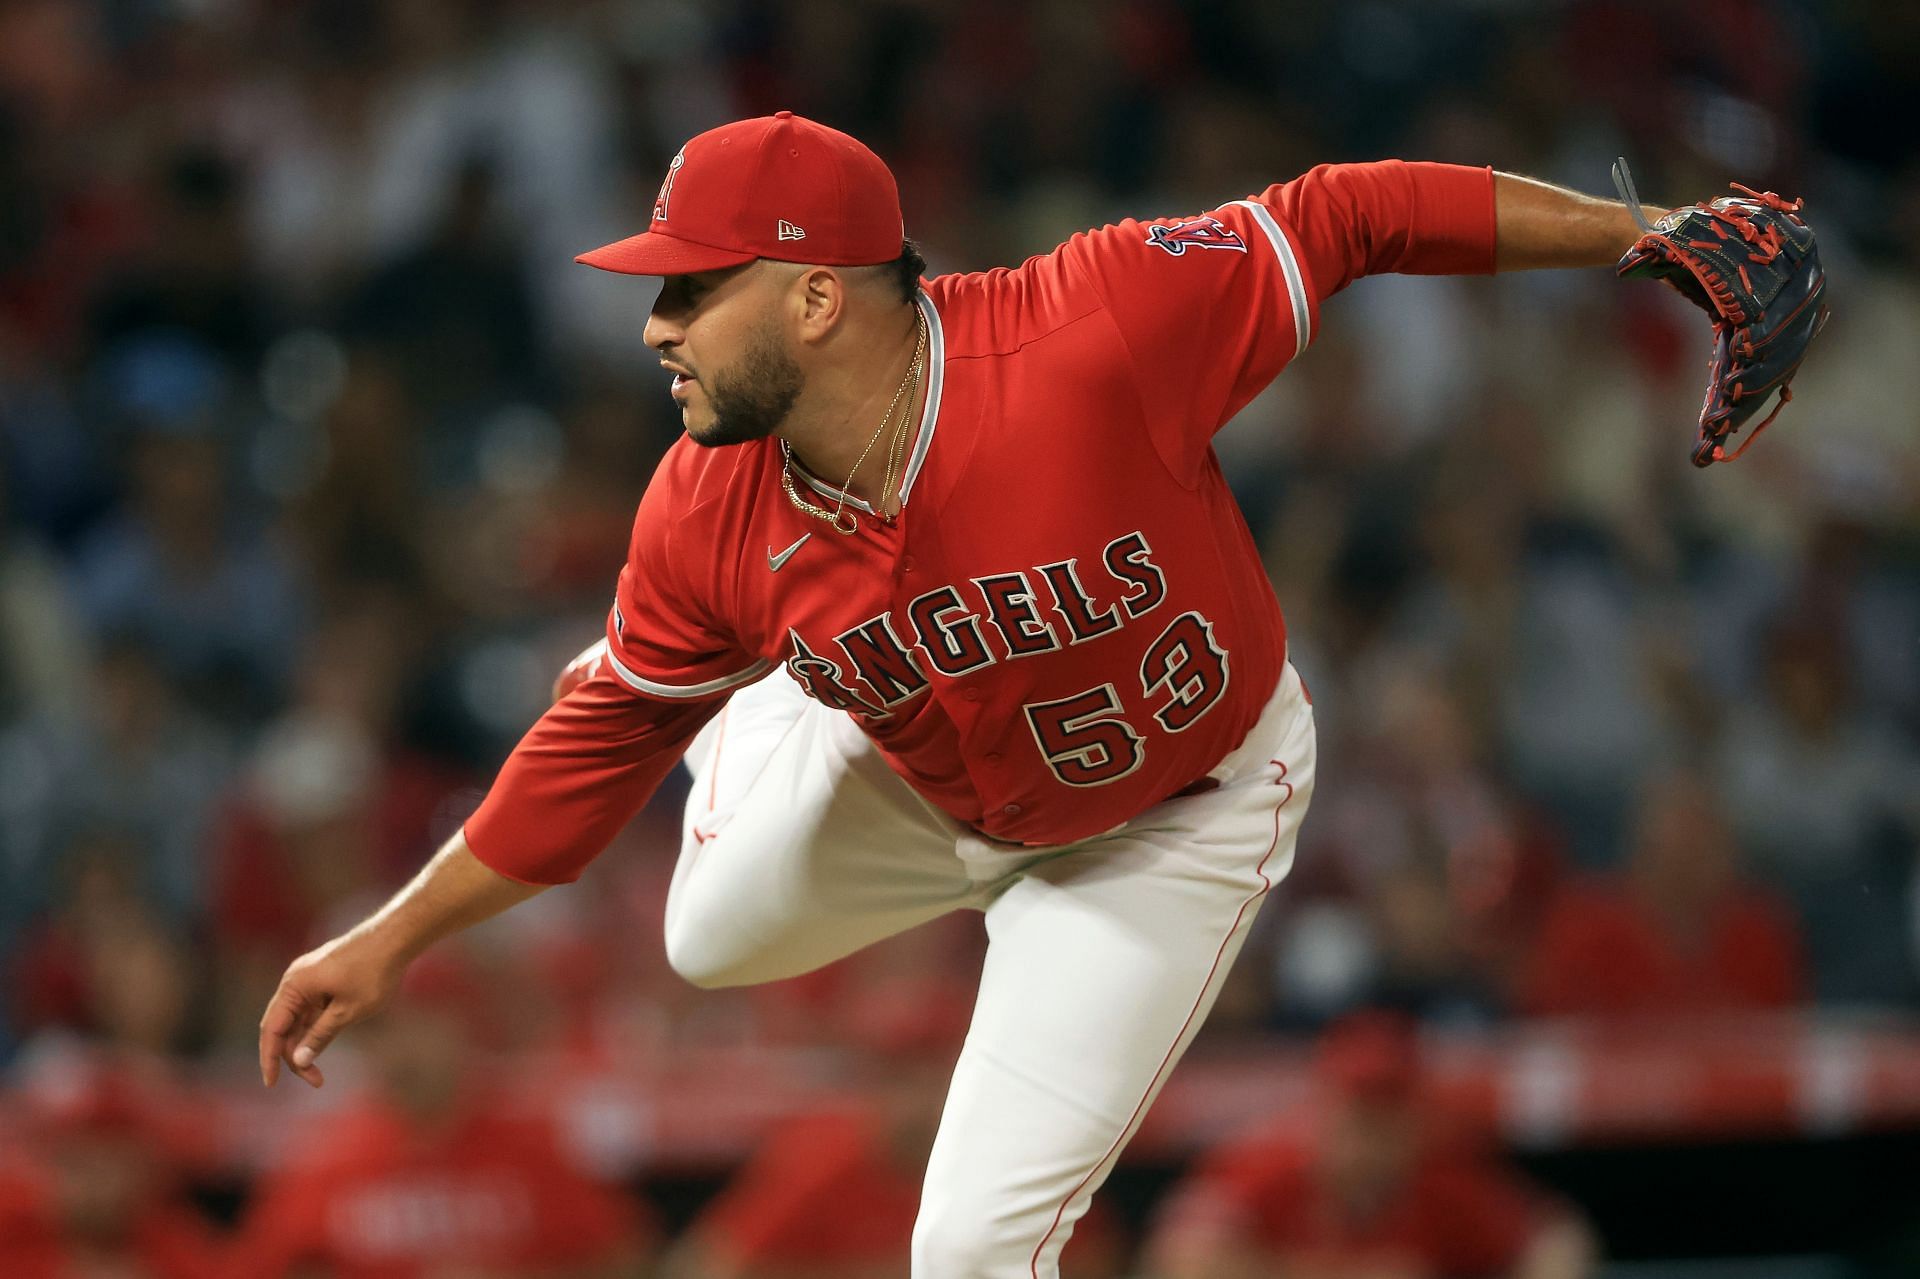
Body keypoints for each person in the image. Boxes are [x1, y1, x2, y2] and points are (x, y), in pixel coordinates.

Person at [260, 111, 1690, 1277]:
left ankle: (808, 690)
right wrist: (392, 937)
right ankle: (789, 697)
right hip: (919, 775)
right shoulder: (702, 503)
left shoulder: (1089, 330)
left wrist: (1645, 236)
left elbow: (1350, 211)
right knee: (701, 937)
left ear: (818, 294)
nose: (656, 325)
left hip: (1160, 825)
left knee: (963, 1250)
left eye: (691, 287)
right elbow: (592, 745)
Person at [234, 955, 654, 1278]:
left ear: (461, 1026)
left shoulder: (531, 1144)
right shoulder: (328, 1159)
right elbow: (261, 1265)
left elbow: (628, 1260)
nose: (402, 1049)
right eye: (381, 1031)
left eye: (421, 1022)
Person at [1143, 1011, 1596, 1279]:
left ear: (1415, 1122)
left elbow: (1560, 1241)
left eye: (1388, 1116)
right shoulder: (1269, 1163)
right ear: (1324, 1108)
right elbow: (1177, 1258)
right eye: (1359, 1113)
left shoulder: (1437, 1181)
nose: (1371, 1135)